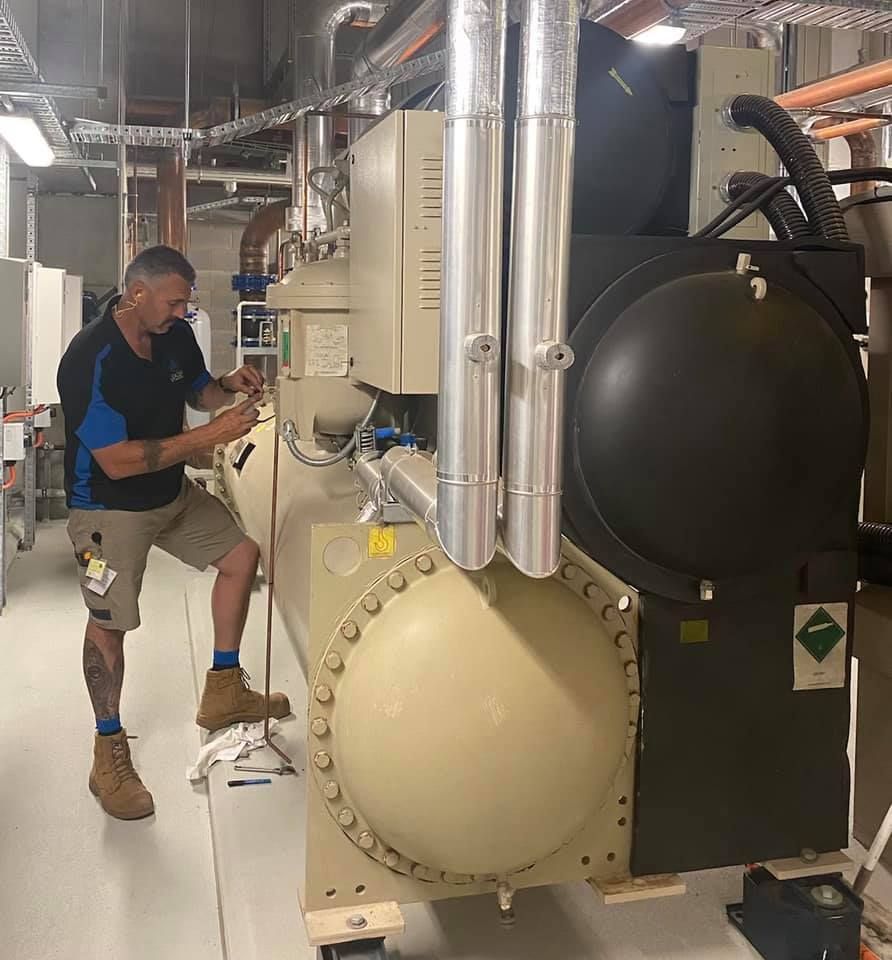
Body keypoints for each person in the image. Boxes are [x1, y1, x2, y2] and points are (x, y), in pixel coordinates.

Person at [57, 244, 290, 821]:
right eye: (175, 301)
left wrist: (228, 386)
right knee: (111, 626)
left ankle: (223, 689)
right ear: (137, 295)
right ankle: (107, 750)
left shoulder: (174, 333)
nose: (183, 312)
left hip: (169, 495)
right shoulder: (91, 359)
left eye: (186, 303)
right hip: (110, 510)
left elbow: (196, 390)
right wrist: (210, 438)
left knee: (241, 556)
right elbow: (116, 460)